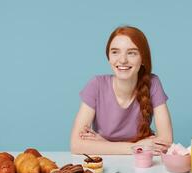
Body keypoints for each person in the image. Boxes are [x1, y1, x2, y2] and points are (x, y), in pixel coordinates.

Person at [70, 26, 173, 154]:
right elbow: (76, 145)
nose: (123, 60)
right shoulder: (96, 85)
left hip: (143, 164)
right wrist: (136, 147)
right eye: (115, 52)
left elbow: (166, 142)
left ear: (143, 58)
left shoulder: (153, 83)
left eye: (131, 53)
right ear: (108, 57)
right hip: (106, 164)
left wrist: (104, 145)